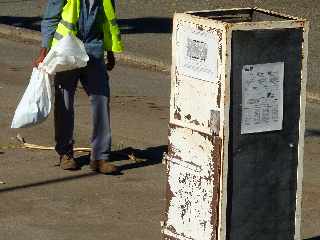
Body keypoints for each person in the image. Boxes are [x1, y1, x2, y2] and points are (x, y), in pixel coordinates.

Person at [34, 0, 123, 174]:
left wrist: (109, 51)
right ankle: (65, 153)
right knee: (64, 102)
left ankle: (100, 157)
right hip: (67, 50)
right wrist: (44, 51)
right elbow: (50, 19)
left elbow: (107, 20)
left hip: (94, 49)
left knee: (101, 101)